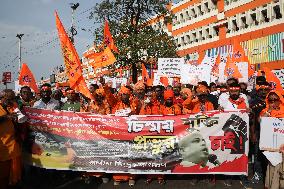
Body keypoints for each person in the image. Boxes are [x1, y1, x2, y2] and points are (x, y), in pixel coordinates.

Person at [260, 91, 284, 189]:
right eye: (270, 100)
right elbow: (260, 121)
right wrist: (268, 110)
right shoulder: (265, 111)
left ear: (280, 100)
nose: (273, 102)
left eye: (275, 99)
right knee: (274, 167)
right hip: (273, 148)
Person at [0, 90, 23, 189]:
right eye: (9, 98)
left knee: (15, 169)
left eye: (13, 98)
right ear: (2, 98)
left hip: (14, 142)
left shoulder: (13, 105)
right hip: (2, 144)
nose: (12, 101)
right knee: (3, 171)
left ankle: (13, 183)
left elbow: (20, 120)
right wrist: (6, 117)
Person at [249, 81, 271, 184]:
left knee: (270, 155)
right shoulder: (253, 102)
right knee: (257, 154)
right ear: (257, 91)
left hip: (273, 133)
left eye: (265, 89)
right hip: (258, 132)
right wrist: (253, 134)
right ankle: (257, 174)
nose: (263, 92)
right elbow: (252, 120)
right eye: (261, 90)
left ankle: (269, 174)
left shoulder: (273, 100)